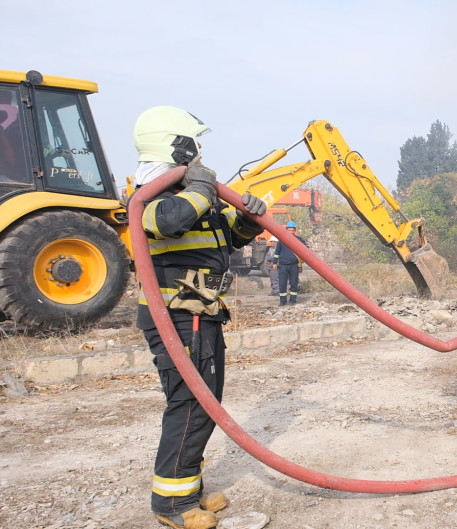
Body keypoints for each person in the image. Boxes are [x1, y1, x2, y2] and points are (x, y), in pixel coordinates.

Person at [133, 105, 267, 529]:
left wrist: (249, 217)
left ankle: (187, 488)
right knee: (191, 403)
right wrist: (204, 188)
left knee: (203, 402)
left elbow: (228, 236)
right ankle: (171, 504)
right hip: (179, 316)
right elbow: (167, 221)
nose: (200, 151)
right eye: (194, 143)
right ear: (177, 145)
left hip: (200, 313)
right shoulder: (151, 192)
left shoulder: (192, 194)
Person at [271, 221, 309, 305]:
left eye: (292, 230)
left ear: (295, 230)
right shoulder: (282, 240)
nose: (291, 232)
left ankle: (292, 301)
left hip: (294, 265)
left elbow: (306, 248)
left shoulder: (299, 239)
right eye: (289, 230)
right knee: (282, 284)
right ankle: (282, 301)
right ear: (286, 230)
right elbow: (277, 252)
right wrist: (274, 262)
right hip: (283, 266)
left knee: (294, 284)